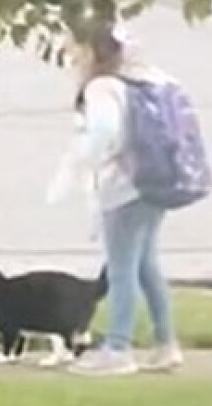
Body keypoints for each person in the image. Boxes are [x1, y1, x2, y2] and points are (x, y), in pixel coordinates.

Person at [46, 18, 184, 376]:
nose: (70, 58)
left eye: (74, 50)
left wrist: (78, 166)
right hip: (156, 181)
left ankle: (118, 348)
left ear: (90, 52)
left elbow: (104, 132)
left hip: (122, 188)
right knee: (146, 265)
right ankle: (165, 343)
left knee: (121, 268)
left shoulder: (103, 88)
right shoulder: (146, 80)